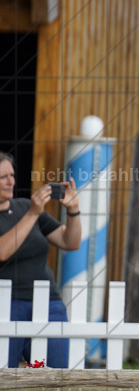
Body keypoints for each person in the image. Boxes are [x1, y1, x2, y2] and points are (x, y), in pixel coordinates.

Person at [0, 151, 80, 368]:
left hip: (48, 302)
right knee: (5, 375)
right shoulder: (30, 212)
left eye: (12, 175)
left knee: (54, 375)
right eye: (3, 177)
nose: (11, 182)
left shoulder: (25, 206)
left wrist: (73, 211)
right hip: (8, 304)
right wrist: (33, 215)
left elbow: (70, 242)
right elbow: (3, 252)